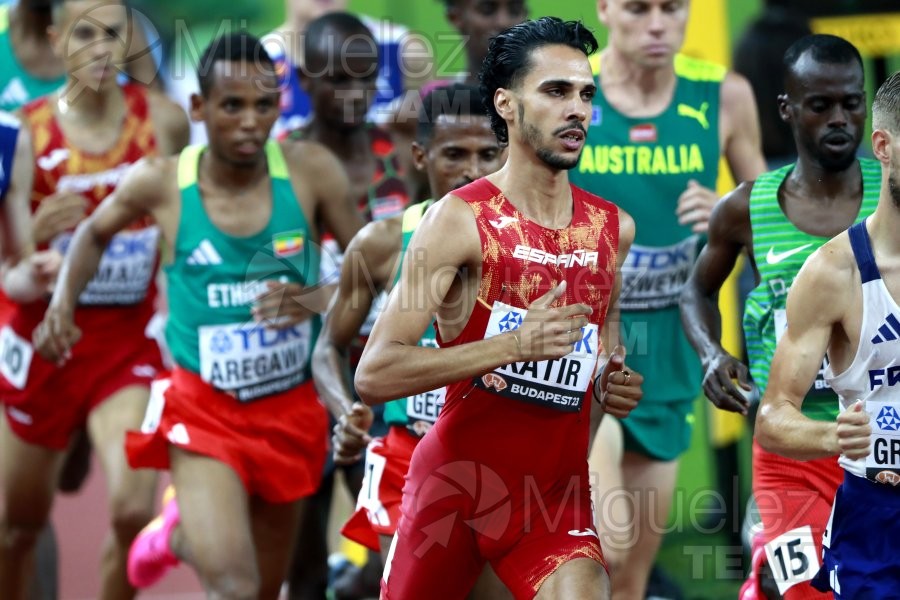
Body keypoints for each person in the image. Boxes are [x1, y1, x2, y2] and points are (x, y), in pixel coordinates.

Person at [34, 30, 364, 599]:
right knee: (234, 589)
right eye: (231, 106)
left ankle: (181, 536)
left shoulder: (311, 173)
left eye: (263, 106)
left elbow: (369, 272)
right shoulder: (161, 183)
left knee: (263, 590)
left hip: (291, 410)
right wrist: (63, 304)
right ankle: (191, 532)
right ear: (199, 107)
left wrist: (312, 298)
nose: (248, 123)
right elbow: (92, 232)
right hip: (204, 411)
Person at [355, 17, 642, 599]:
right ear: (506, 105)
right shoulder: (457, 220)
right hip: (450, 495)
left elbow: (605, 357)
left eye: (586, 94)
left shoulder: (613, 228)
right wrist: (512, 347)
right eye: (556, 92)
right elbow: (375, 372)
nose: (577, 110)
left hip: (552, 502)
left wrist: (614, 384)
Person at [567, 1, 767, 596]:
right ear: (605, 9)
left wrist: (729, 214)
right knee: (604, 547)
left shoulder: (724, 95)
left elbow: (774, 226)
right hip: (584, 354)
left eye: (671, 8)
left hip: (673, 363)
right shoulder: (572, 90)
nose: (657, 23)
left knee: (630, 576)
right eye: (637, 8)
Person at [0, 1, 189, 598]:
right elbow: (9, 274)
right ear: (56, 42)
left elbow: (186, 225)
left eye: (113, 33)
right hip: (42, 340)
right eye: (85, 33)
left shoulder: (163, 122)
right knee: (17, 530)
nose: (101, 47)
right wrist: (35, 249)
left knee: (134, 511)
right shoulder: (21, 135)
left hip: (122, 342)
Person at [680, 34, 874, 599]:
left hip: (877, 437)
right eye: (820, 105)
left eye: (852, 102)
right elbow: (696, 291)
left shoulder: (891, 199)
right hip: (790, 443)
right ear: (788, 109)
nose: (839, 118)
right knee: (804, 588)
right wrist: (712, 354)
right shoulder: (747, 207)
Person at [318, 82, 507, 597]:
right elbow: (327, 347)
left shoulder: (531, 245)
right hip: (408, 461)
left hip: (502, 466)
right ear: (420, 156)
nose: (472, 170)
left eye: (488, 154)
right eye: (454, 155)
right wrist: (346, 413)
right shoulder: (382, 244)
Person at [755, 69, 900, 599]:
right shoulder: (832, 273)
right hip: (876, 519)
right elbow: (773, 419)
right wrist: (835, 436)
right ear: (884, 146)